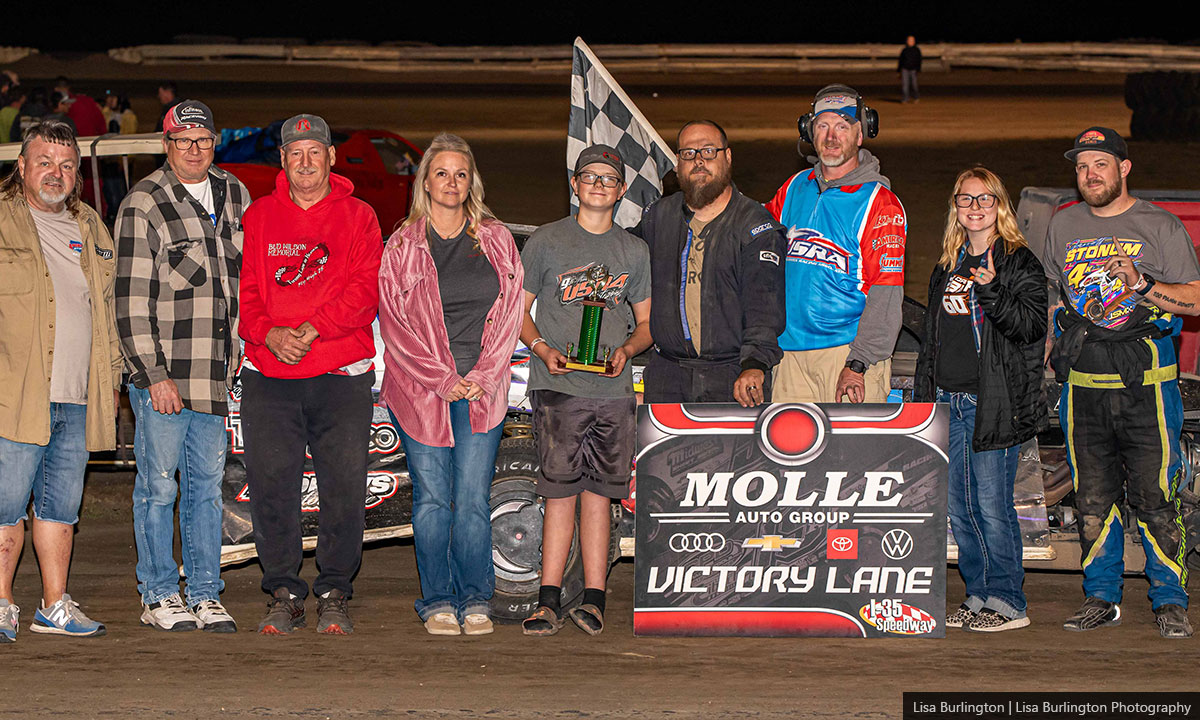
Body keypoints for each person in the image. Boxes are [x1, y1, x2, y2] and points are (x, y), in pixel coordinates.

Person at [1045, 127, 1198, 639]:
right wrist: (1051, 355)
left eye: (1101, 164)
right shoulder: (1062, 226)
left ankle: (1170, 599)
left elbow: (1195, 301)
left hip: (1147, 386)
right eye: (1083, 166)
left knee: (1155, 495)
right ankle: (1101, 596)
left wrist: (1144, 284)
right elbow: (1053, 297)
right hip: (1083, 385)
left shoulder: (1160, 224)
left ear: (1123, 168)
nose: (1090, 175)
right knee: (1091, 496)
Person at [239, 114, 382, 636]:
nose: (305, 161)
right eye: (294, 151)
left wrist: (309, 329)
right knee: (272, 486)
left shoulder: (360, 216)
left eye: (314, 151)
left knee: (343, 487)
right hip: (268, 374)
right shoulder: (259, 217)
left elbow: (364, 292)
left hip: (339, 375)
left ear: (331, 158)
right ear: (282, 159)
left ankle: (335, 591)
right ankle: (282, 590)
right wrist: (269, 335)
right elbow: (249, 294)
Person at [378, 133, 522, 637]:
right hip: (422, 393)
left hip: (482, 392)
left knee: (473, 498)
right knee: (434, 499)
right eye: (442, 173)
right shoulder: (402, 245)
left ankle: (476, 597)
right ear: (426, 182)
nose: (452, 182)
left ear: (471, 181)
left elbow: (510, 313)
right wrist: (442, 380)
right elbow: (394, 327)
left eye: (461, 173)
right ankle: (438, 598)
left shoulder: (497, 238)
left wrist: (480, 376)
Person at [116, 100, 249, 633]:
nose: (194, 149)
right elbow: (128, 299)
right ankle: (158, 594)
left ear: (215, 141)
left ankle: (205, 593)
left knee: (205, 490)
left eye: (203, 138)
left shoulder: (235, 193)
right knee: (157, 488)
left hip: (215, 375)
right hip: (166, 377)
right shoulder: (144, 201)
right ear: (165, 145)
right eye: (182, 140)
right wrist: (152, 374)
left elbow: (245, 282)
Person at [519, 146, 652, 637]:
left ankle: (594, 600)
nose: (598, 184)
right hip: (558, 385)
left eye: (609, 179)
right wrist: (541, 348)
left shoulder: (633, 251)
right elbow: (520, 311)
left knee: (600, 497)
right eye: (588, 176)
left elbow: (646, 325)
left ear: (621, 190)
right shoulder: (547, 242)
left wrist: (626, 351)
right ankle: (547, 599)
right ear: (574, 185)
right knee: (559, 495)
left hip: (612, 388)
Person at [0, 120, 121, 643]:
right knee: (4, 507)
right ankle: (2, 603)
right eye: (45, 162)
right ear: (22, 166)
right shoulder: (2, 219)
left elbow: (107, 308)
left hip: (77, 394)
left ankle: (53, 605)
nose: (57, 173)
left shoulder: (91, 224)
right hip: (14, 394)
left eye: (67, 165)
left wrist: (112, 379)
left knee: (60, 508)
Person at [914, 167, 1047, 632]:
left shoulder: (1018, 261)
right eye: (965, 199)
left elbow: (1031, 328)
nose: (974, 207)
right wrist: (925, 400)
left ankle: (1010, 602)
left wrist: (990, 289)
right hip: (948, 403)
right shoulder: (945, 265)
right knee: (960, 508)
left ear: (1000, 207)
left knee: (993, 505)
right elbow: (932, 342)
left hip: (992, 403)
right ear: (954, 207)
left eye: (985, 199)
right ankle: (978, 595)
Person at [766, 84, 907, 404]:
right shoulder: (793, 188)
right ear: (809, 131)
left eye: (843, 126)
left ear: (861, 134)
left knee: (854, 455)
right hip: (789, 356)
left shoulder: (880, 203)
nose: (831, 137)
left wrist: (858, 364)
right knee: (792, 452)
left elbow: (885, 294)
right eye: (822, 126)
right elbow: (757, 245)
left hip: (846, 357)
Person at [634, 120, 786, 406]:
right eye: (689, 154)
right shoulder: (658, 216)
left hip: (732, 376)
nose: (699, 161)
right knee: (663, 452)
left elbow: (764, 309)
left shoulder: (755, 226)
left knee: (732, 453)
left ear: (727, 157)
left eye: (708, 151)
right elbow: (623, 258)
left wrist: (754, 365)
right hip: (667, 375)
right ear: (677, 163)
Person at [898, 36, 922, 103]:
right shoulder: (904, 50)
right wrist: (899, 70)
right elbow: (901, 61)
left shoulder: (917, 50)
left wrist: (918, 69)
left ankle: (916, 97)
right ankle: (905, 98)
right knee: (905, 85)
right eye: (909, 40)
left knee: (914, 84)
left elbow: (919, 60)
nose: (910, 42)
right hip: (905, 69)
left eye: (912, 40)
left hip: (913, 69)